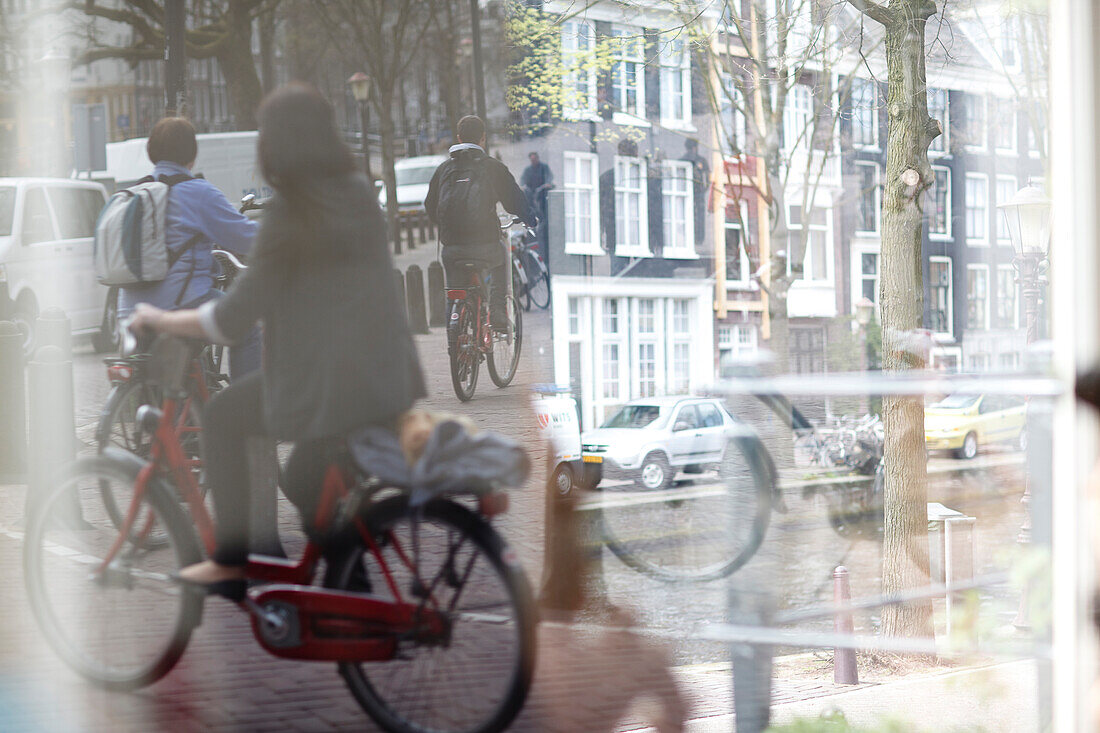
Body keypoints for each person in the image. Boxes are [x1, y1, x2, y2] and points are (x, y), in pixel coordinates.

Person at [129, 83, 426, 589]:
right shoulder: (359, 192)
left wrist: (158, 319)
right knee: (307, 484)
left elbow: (230, 321)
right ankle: (353, 597)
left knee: (222, 416)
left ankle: (231, 557)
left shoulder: (292, 213)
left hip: (329, 389)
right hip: (390, 379)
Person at [119, 117, 261, 378]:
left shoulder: (136, 193)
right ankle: (247, 411)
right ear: (191, 156)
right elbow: (245, 237)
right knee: (246, 324)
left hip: (128, 310)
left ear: (152, 153)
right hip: (179, 305)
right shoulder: (198, 192)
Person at [424, 115, 537, 328]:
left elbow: (430, 205)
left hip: (452, 249)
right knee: (502, 258)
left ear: (458, 138)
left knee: (455, 292)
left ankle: (454, 328)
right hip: (485, 245)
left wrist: (446, 227)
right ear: (483, 138)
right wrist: (530, 219)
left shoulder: (444, 169)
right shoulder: (493, 167)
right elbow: (514, 202)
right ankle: (496, 312)